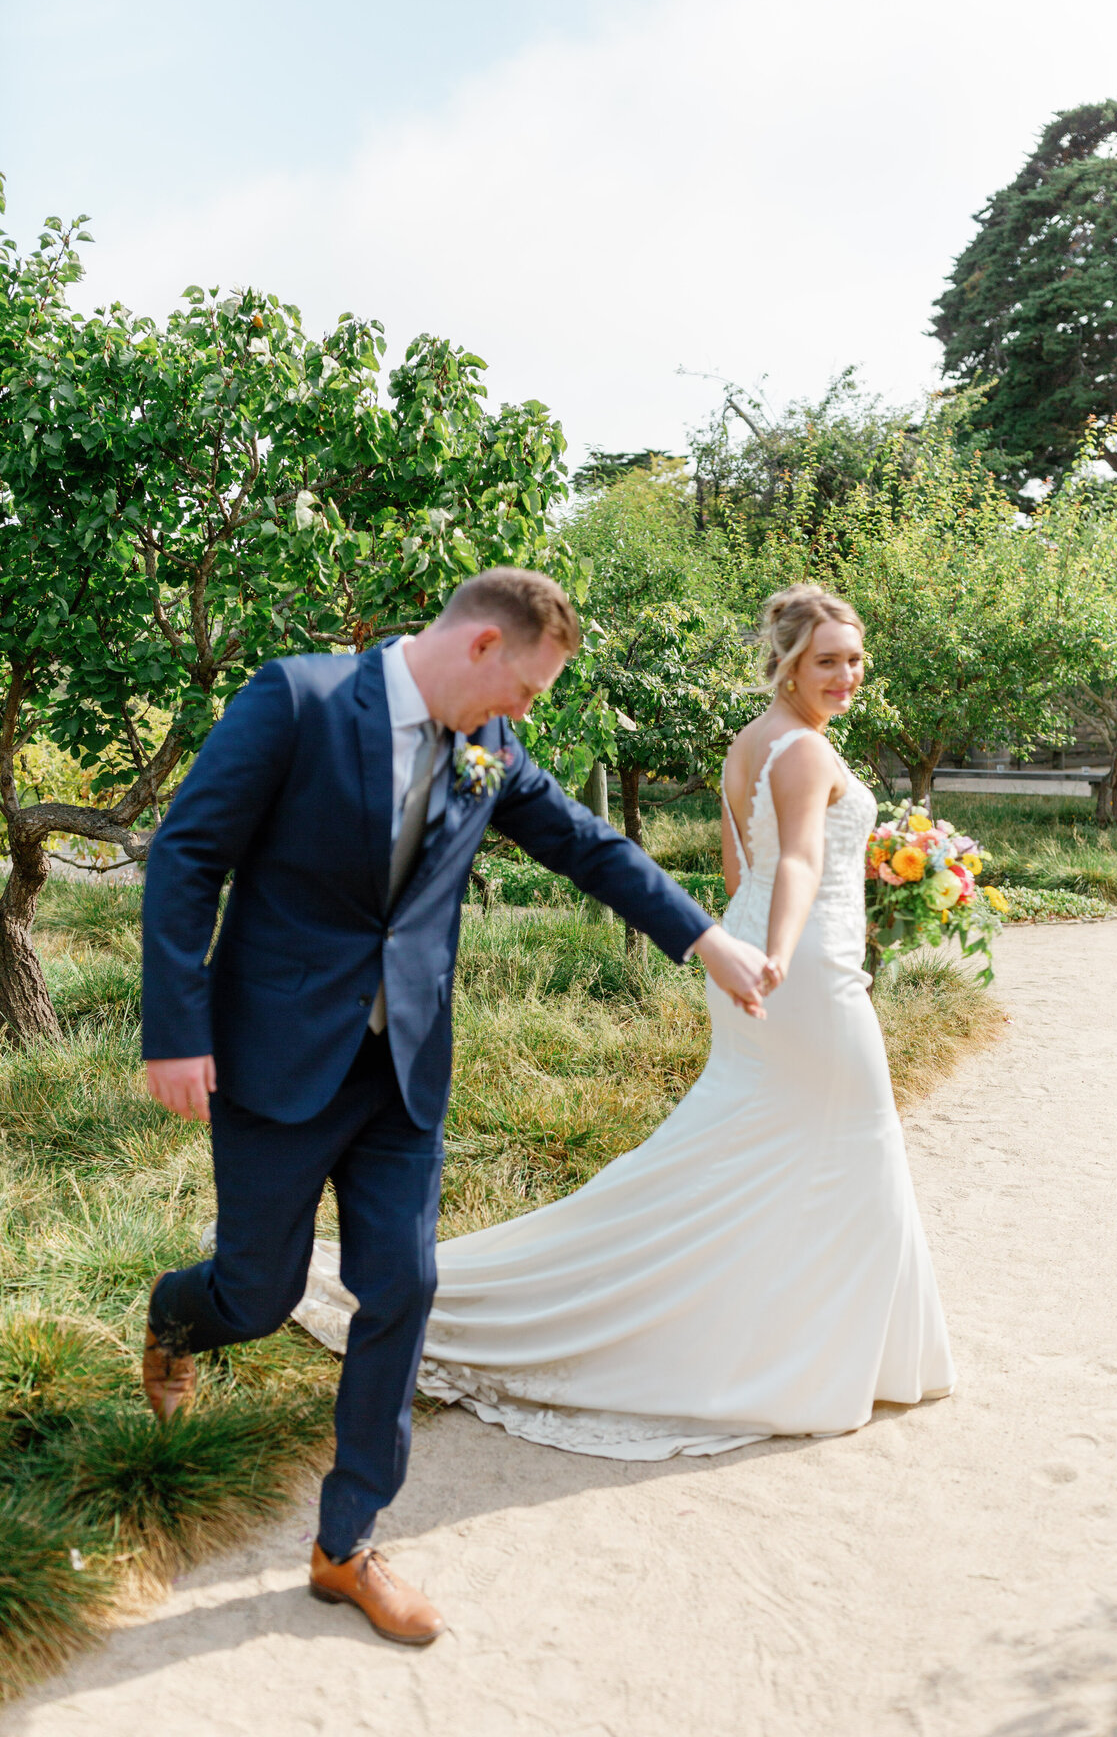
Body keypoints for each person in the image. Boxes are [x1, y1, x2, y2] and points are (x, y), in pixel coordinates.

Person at [139, 567, 771, 1647]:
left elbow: (589, 843)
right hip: (278, 1056)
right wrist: (176, 1028)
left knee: (404, 1285)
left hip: (403, 1075)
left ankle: (346, 1545)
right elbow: (190, 853)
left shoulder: (491, 752)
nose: (528, 714)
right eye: (527, 689)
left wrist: (704, 939)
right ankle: (177, 1315)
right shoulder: (295, 699)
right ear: (482, 647)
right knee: (259, 1291)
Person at [299, 582, 956, 1461]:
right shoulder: (801, 753)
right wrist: (792, 948)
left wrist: (773, 932)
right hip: (799, 970)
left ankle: (794, 1337)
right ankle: (823, 1356)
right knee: (852, 1140)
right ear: (789, 663)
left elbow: (741, 865)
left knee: (753, 1143)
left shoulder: (752, 742)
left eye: (855, 657)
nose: (847, 674)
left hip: (754, 949)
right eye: (828, 659)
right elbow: (797, 861)